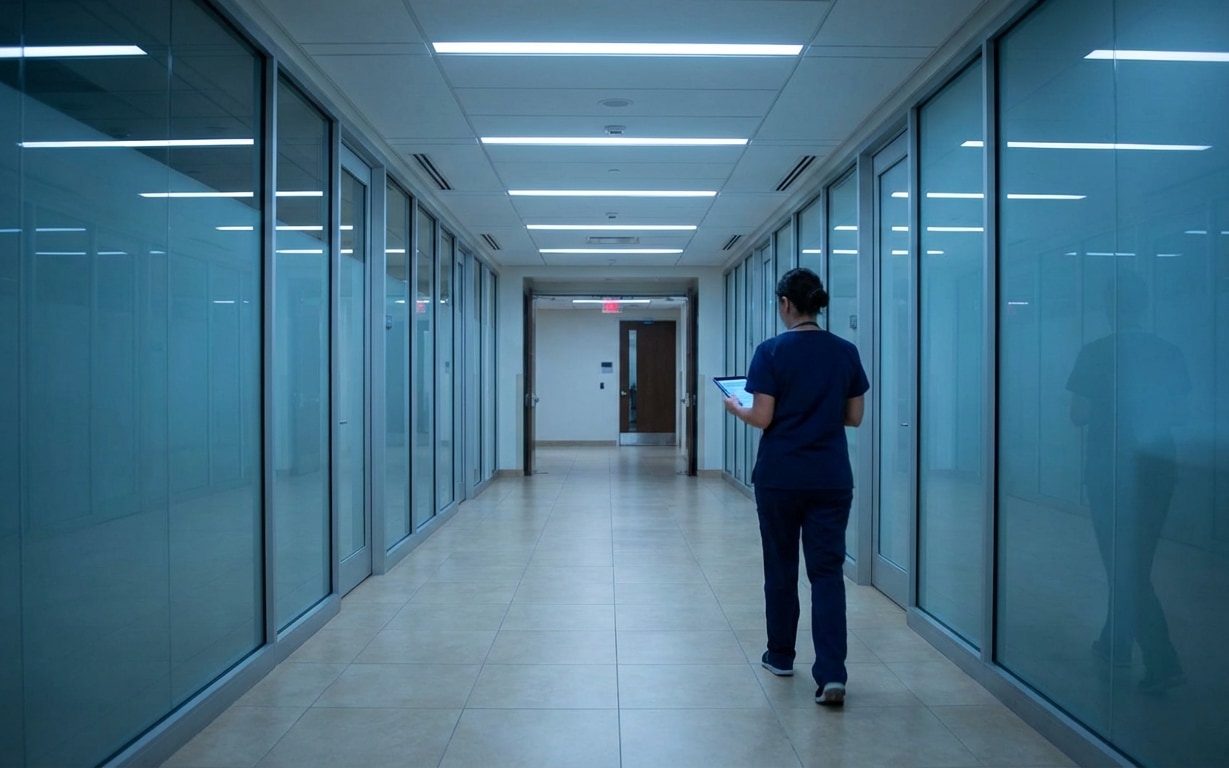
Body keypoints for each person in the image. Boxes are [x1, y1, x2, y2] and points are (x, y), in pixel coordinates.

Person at [723, 267, 868, 706]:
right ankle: (831, 675)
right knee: (827, 574)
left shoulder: (770, 352)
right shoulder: (845, 352)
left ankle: (781, 655)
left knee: (781, 568)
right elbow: (854, 417)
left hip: (781, 478)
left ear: (785, 304)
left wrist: (736, 407)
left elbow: (762, 416)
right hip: (830, 477)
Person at [1067, 270, 1187, 694]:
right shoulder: (1168, 352)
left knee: (1124, 565)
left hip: (1109, 468)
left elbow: (1079, 414)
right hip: (1158, 468)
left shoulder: (1097, 352)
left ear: (1108, 307)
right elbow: (1177, 411)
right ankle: (1114, 642)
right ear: (1145, 305)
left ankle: (1162, 659)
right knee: (1135, 559)